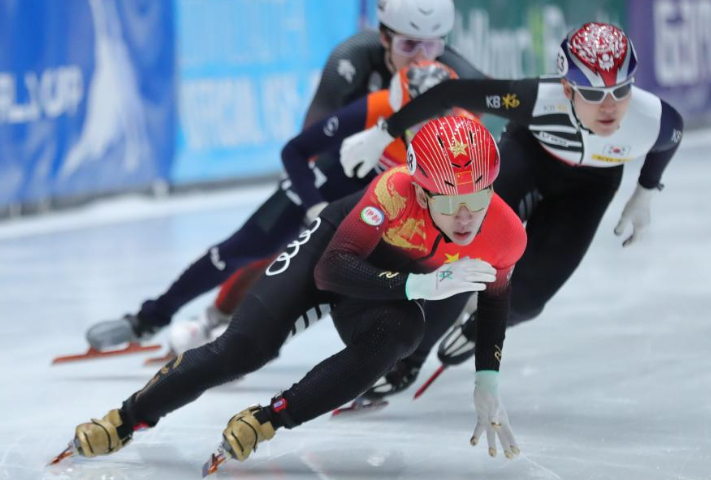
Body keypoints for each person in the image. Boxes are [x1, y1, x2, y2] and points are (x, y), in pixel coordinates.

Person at [64, 117, 527, 467]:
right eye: (451, 202)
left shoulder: (505, 234)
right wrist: (419, 284)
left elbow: (495, 298)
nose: (466, 217)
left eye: (478, 199)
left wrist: (487, 380)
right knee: (243, 350)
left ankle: (269, 418)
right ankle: (125, 419)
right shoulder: (393, 192)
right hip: (331, 254)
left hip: (379, 290)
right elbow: (331, 270)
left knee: (402, 332)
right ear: (423, 193)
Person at [83, 0, 488, 353]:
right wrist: (316, 206)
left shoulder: (452, 71)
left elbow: (493, 126)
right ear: (384, 38)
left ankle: (235, 329)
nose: (421, 59)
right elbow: (308, 139)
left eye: (433, 45)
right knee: (249, 247)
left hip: (394, 182)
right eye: (409, 45)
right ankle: (149, 318)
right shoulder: (352, 57)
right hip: (338, 167)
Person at [340, 22, 685, 397]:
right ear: (566, 88)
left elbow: (670, 140)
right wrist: (383, 133)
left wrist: (646, 191)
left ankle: (478, 326)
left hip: (590, 187)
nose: (609, 107)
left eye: (620, 91)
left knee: (529, 299)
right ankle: (407, 359)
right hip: (529, 159)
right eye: (592, 93)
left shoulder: (654, 120)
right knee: (463, 254)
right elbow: (448, 93)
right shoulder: (533, 98)